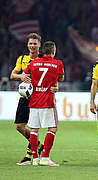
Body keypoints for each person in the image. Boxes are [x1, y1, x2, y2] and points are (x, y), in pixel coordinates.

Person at [23, 41, 64, 166]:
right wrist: (54, 84)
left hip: (34, 100)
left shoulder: (34, 63)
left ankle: (35, 158)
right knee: (52, 128)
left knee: (34, 129)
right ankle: (45, 157)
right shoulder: (57, 63)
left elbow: (24, 76)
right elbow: (61, 78)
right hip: (48, 101)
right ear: (53, 51)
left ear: (42, 51)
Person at [10, 33, 45, 165]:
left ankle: (28, 156)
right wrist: (21, 77)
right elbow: (12, 75)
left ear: (39, 45)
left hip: (38, 97)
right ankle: (39, 146)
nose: (32, 46)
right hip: (24, 96)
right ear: (27, 44)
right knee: (19, 126)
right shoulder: (22, 59)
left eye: (35, 43)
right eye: (30, 43)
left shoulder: (44, 59)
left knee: (34, 127)